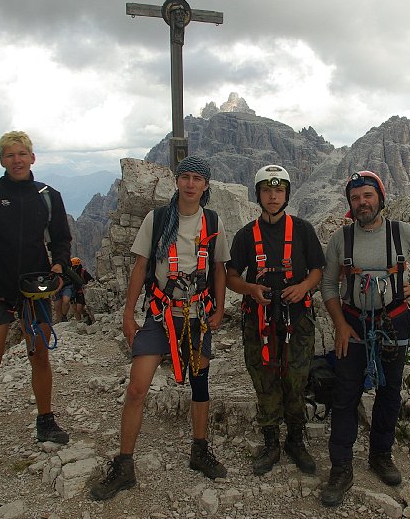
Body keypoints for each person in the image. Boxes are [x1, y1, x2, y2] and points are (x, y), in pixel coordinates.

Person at [90, 156, 229, 501]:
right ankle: (124, 465)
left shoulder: (212, 221)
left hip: (197, 313)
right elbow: (141, 266)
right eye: (186, 177)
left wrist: (220, 309)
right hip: (160, 313)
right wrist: (127, 313)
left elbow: (220, 269)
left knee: (200, 384)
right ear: (177, 182)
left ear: (206, 185)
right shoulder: (158, 219)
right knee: (138, 387)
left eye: (198, 178)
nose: (191, 184)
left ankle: (199, 450)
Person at [319, 171, 410, 507]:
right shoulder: (341, 239)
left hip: (393, 322)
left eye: (367, 196)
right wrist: (339, 325)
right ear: (350, 204)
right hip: (352, 325)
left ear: (380, 198)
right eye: (356, 198)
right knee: (345, 395)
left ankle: (380, 455)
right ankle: (341, 467)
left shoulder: (400, 232)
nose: (362, 203)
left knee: (389, 392)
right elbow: (329, 285)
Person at [0, 131, 72, 483]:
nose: (17, 160)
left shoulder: (48, 197)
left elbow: (62, 239)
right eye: (10, 155)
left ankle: (46, 421)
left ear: (33, 158)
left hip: (34, 290)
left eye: (22, 154)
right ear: (2, 160)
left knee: (40, 356)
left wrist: (60, 266)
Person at [226, 165, 325, 475]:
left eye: (278, 190)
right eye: (267, 191)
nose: (272, 196)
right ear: (259, 194)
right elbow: (230, 277)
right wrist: (250, 289)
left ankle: (295, 441)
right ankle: (271, 442)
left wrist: (303, 287)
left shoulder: (303, 230)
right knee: (264, 378)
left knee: (296, 378)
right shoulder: (246, 235)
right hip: (259, 320)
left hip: (297, 319)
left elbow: (317, 270)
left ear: (286, 195)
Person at [68, 257, 95, 323]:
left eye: (74, 266)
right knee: (75, 309)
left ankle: (86, 316)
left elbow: (91, 280)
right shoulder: (72, 273)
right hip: (75, 292)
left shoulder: (83, 272)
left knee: (79, 308)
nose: (73, 268)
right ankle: (80, 321)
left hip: (81, 292)